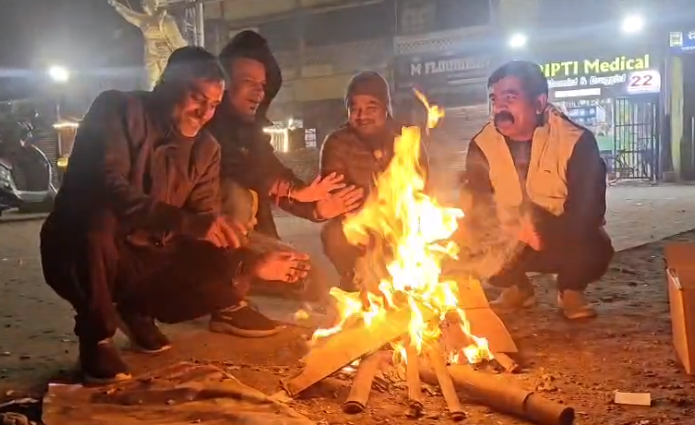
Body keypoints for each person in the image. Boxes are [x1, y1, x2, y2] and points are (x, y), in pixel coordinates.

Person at [39, 46, 300, 385]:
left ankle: (135, 308)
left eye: (214, 104)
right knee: (99, 221)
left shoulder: (206, 149)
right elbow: (107, 184)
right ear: (166, 84)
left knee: (217, 262)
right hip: (81, 248)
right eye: (196, 98)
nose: (204, 112)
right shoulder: (118, 109)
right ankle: (96, 337)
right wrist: (186, 222)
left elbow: (204, 219)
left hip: (146, 255)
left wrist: (250, 262)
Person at [205, 30, 363, 337]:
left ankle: (248, 279)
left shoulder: (251, 134)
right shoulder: (203, 127)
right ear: (223, 84)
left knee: (306, 273)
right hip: (201, 236)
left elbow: (273, 176)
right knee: (238, 196)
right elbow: (240, 171)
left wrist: (317, 208)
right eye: (248, 81)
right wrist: (295, 191)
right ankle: (227, 304)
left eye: (262, 84)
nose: (258, 91)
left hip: (248, 238)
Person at [461, 60, 614, 320]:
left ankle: (570, 290)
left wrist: (540, 228)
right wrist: (495, 226)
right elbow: (477, 201)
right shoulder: (482, 145)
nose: (499, 108)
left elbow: (589, 210)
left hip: (561, 236)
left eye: (510, 98)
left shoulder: (575, 141)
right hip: (507, 237)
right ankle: (516, 288)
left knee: (595, 245)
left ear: (539, 102)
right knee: (467, 239)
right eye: (495, 99)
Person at [319, 71, 429, 291]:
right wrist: (369, 214)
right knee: (333, 233)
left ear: (385, 107)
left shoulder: (406, 138)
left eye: (371, 108)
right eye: (354, 109)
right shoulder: (337, 143)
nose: (362, 116)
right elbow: (335, 195)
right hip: (361, 222)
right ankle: (355, 278)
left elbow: (424, 187)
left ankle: (412, 281)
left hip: (401, 220)